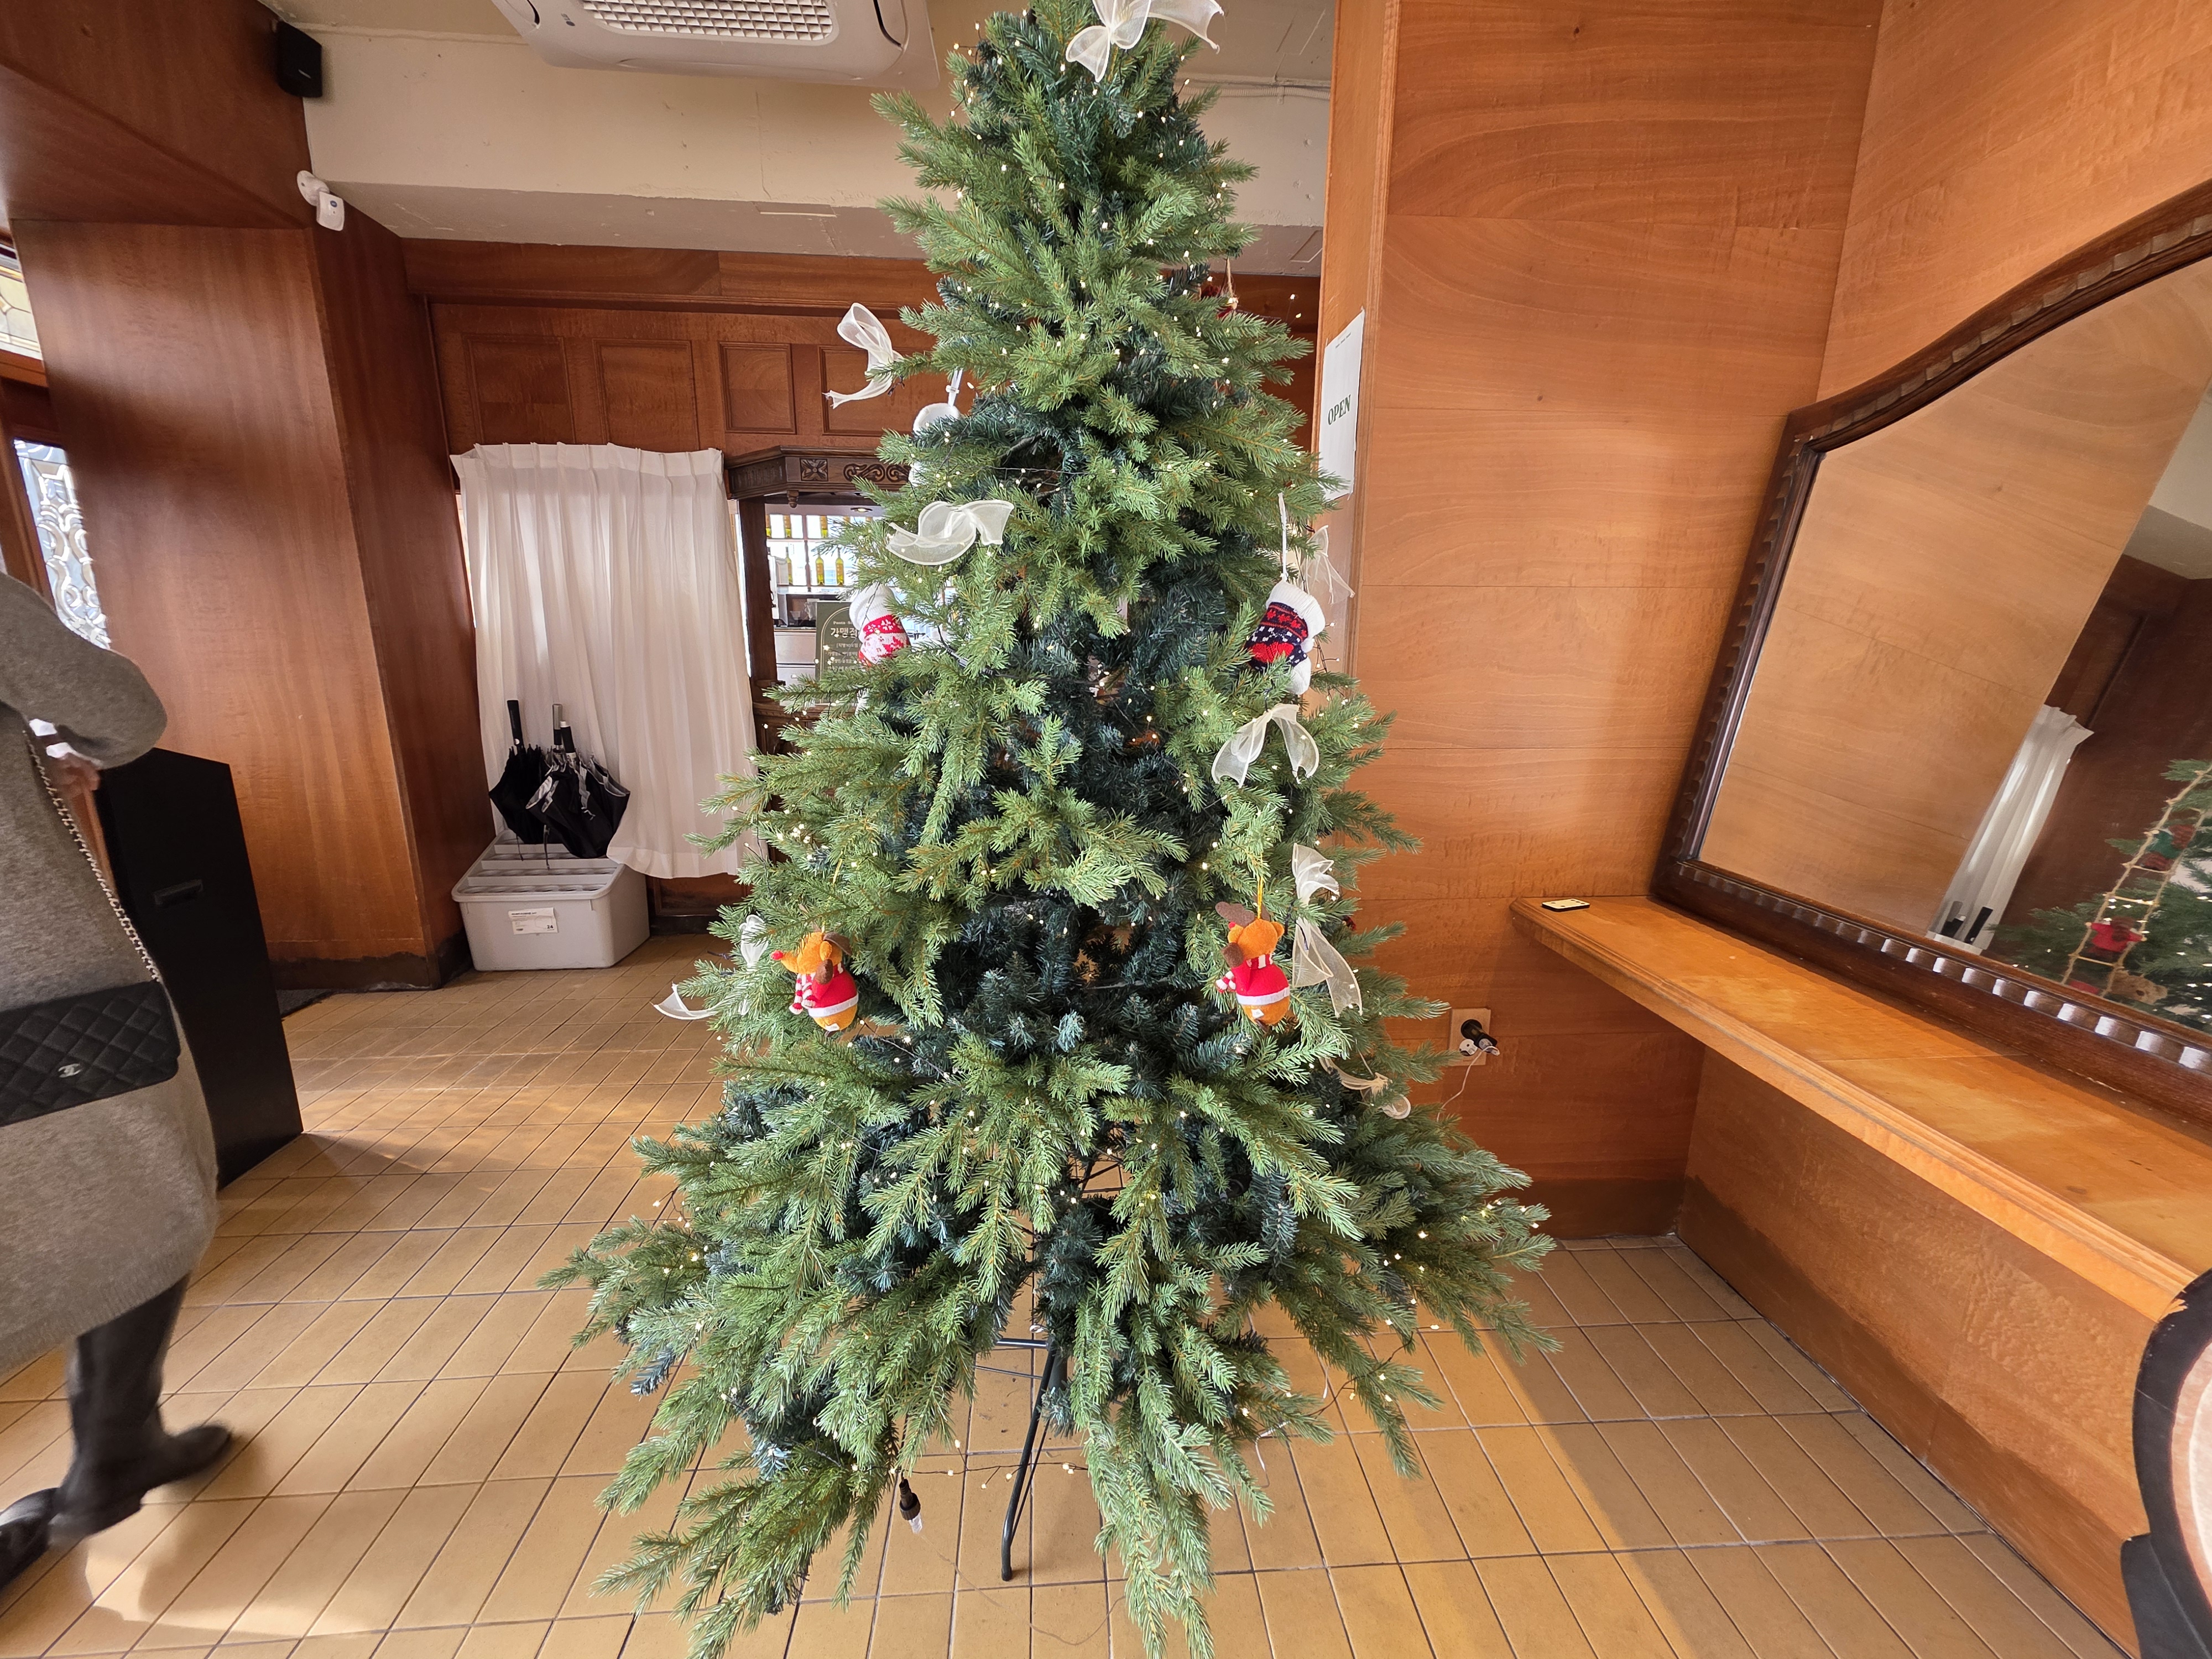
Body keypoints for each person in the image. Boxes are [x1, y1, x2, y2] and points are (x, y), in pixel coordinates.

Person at [0, 573, 228, 1588]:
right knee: (150, 1179)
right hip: (30, 984)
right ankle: (117, 1442)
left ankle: (121, 1446)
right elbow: (122, 715)